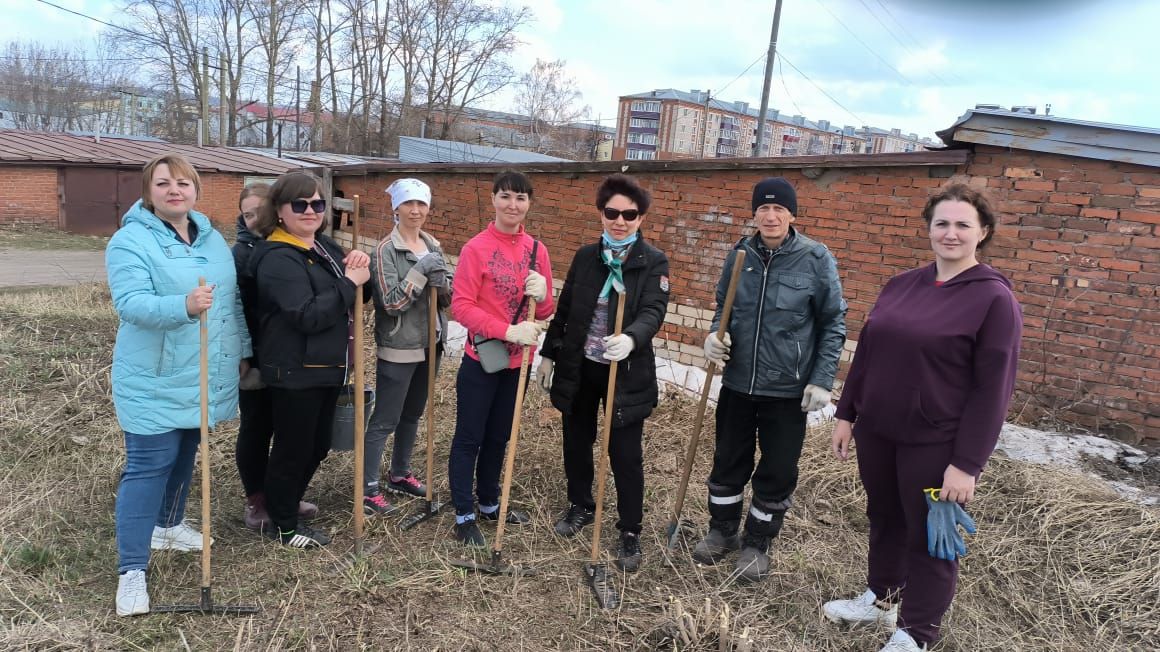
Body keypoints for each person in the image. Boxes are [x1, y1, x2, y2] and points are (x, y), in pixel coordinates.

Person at [822, 183, 1022, 652]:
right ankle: (881, 599)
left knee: (932, 537)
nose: (950, 234)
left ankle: (916, 632)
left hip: (936, 442)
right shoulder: (902, 284)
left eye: (962, 225)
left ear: (983, 232)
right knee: (885, 516)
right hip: (879, 431)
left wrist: (967, 464)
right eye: (942, 224)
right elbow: (867, 354)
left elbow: (993, 390)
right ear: (929, 229)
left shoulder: (994, 300)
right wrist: (847, 413)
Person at [106, 153, 249, 616]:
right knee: (150, 463)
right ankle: (131, 571)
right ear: (149, 191)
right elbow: (131, 305)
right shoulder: (130, 241)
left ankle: (168, 525)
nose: (175, 190)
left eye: (183, 183)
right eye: (164, 183)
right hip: (154, 374)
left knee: (188, 448)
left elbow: (231, 305)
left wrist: (243, 350)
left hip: (204, 369)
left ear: (196, 191)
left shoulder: (212, 240)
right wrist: (183, 305)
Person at [696, 176, 847, 582]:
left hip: (787, 389)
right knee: (728, 461)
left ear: (791, 213)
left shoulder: (815, 259)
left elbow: (833, 323)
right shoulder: (739, 255)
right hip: (738, 384)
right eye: (763, 208)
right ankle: (722, 531)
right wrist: (713, 336)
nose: (771, 215)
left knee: (777, 469)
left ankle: (758, 541)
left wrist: (821, 378)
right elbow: (721, 309)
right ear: (754, 214)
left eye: (779, 208)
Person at [537, 174, 670, 572]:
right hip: (580, 367)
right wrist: (549, 355)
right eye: (612, 212)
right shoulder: (585, 257)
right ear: (601, 213)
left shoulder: (651, 261)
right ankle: (581, 505)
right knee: (577, 441)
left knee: (625, 454)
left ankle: (630, 529)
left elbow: (653, 310)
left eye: (630, 214)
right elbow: (566, 309)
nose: (620, 221)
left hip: (624, 371)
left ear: (640, 218)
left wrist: (631, 338)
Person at [248, 171, 371, 548]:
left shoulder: (323, 247)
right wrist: (349, 282)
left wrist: (359, 267)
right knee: (293, 447)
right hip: (295, 369)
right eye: (299, 204)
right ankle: (283, 524)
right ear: (280, 211)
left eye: (317, 204)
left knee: (317, 444)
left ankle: (283, 501)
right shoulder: (277, 258)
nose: (310, 211)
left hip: (327, 367)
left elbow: (360, 295)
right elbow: (307, 315)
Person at [448, 170, 555, 547]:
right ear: (494, 199)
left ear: (529, 204)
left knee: (499, 436)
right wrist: (506, 331)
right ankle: (464, 512)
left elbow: (544, 313)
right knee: (470, 437)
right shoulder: (475, 248)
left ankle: (491, 502)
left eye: (521, 198)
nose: (514, 205)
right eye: (507, 196)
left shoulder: (537, 250)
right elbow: (460, 305)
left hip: (517, 366)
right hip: (482, 361)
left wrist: (543, 295)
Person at [361, 178, 451, 515]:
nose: (415, 210)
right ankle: (368, 489)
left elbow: (445, 297)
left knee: (412, 414)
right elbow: (390, 303)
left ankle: (400, 474)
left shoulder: (432, 244)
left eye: (421, 204)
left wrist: (444, 285)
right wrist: (420, 271)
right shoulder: (385, 250)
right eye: (408, 204)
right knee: (386, 418)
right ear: (395, 208)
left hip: (432, 342)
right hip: (400, 343)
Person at [231, 183, 318, 530]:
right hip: (254, 355)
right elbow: (236, 308)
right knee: (256, 426)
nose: (255, 219)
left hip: (288, 355)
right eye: (248, 213)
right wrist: (243, 354)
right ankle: (257, 499)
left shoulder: (288, 246)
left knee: (289, 430)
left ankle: (281, 495)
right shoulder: (241, 254)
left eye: (260, 211)